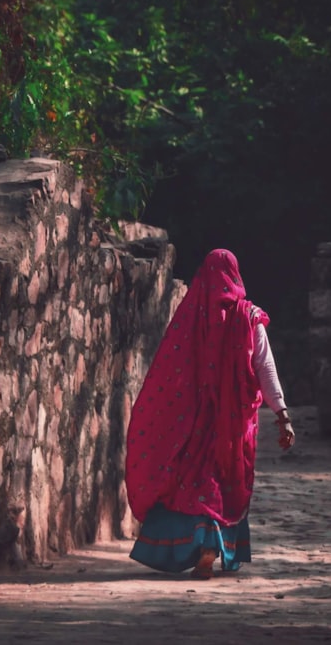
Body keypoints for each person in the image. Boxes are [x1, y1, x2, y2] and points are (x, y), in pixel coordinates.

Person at [125, 248, 294, 579]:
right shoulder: (249, 318)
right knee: (222, 480)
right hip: (234, 426)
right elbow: (266, 368)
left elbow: (166, 372)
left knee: (194, 482)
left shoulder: (189, 318)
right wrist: (283, 414)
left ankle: (199, 543)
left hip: (192, 424)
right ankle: (211, 546)